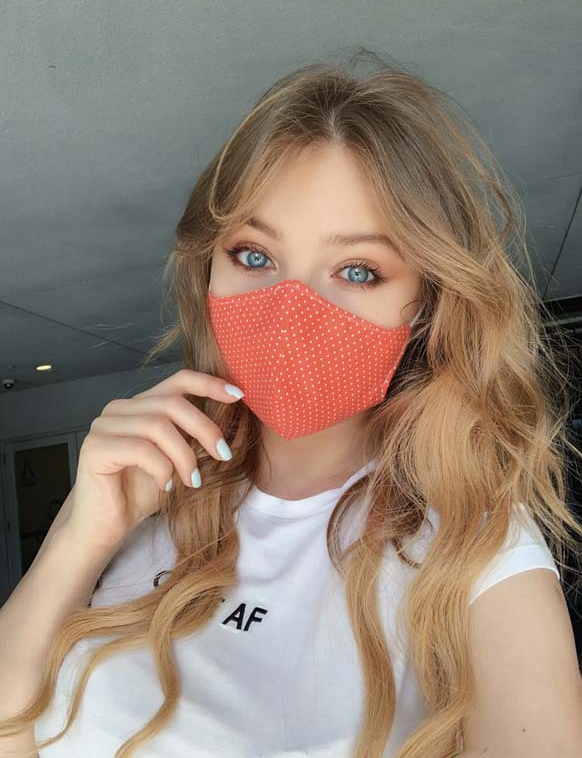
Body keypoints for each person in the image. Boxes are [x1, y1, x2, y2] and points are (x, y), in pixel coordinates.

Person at [1, 50, 581, 758]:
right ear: (208, 270)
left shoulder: (476, 553)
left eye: (357, 270)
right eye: (254, 256)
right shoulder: (145, 494)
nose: (290, 312)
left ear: (426, 309)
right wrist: (78, 536)